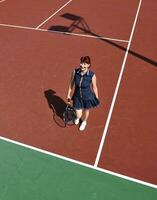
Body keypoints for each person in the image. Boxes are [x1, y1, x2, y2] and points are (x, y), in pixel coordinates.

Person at [67, 56, 100, 131]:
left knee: (86, 110)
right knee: (78, 114)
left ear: (88, 65)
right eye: (81, 63)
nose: (82, 65)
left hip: (87, 96)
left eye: (85, 64)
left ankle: (84, 122)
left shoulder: (92, 75)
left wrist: (96, 97)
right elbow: (71, 84)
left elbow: (95, 87)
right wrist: (68, 94)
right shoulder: (75, 72)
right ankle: (78, 118)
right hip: (77, 96)